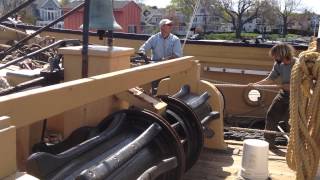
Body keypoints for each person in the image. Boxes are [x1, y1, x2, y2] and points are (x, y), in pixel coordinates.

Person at [248, 43, 297, 146]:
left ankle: (294, 146)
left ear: (282, 53)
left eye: (275, 55)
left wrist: (292, 87)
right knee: (271, 115)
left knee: (291, 121)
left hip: (297, 96)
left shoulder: (298, 64)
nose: (274, 58)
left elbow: (307, 83)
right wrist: (255, 85)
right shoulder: (278, 65)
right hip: (283, 94)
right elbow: (270, 79)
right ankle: (269, 142)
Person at [139, 19, 182, 94]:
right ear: (162, 27)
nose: (171, 26)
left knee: (168, 91)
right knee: (155, 90)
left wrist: (165, 60)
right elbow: (142, 49)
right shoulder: (154, 38)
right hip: (156, 69)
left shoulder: (175, 40)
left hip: (170, 69)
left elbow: (177, 55)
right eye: (168, 25)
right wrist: (144, 55)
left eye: (171, 25)